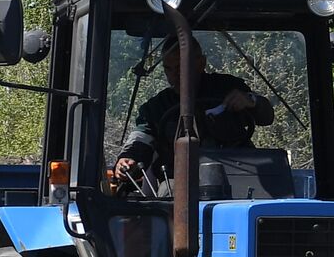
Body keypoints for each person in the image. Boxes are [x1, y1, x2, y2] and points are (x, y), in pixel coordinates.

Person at [114, 34, 275, 180]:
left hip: (237, 174)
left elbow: (266, 116)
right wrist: (128, 158)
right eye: (169, 69)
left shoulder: (228, 87)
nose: (175, 75)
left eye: (181, 67)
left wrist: (251, 101)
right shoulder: (157, 107)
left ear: (201, 63)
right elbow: (142, 137)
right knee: (165, 196)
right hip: (177, 181)